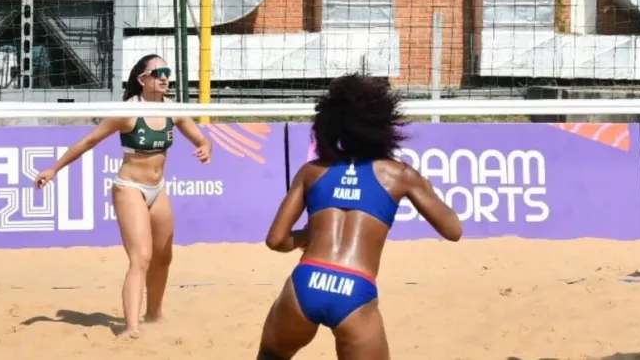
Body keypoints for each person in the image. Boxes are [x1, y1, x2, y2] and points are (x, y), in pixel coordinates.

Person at [257, 74, 462, 360]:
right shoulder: (399, 175)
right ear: (383, 123)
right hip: (354, 288)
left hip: (307, 280)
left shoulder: (312, 171)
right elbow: (453, 229)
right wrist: (420, 184)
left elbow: (276, 240)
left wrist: (307, 236)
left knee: (270, 356)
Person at [34, 54, 212, 338]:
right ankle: (131, 328)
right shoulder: (126, 112)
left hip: (158, 189)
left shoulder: (173, 109)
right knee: (141, 257)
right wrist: (54, 168)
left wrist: (205, 147)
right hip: (129, 188)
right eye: (158, 73)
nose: (165, 77)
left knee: (163, 257)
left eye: (167, 72)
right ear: (142, 80)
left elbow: (201, 138)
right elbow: (89, 141)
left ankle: (153, 314)